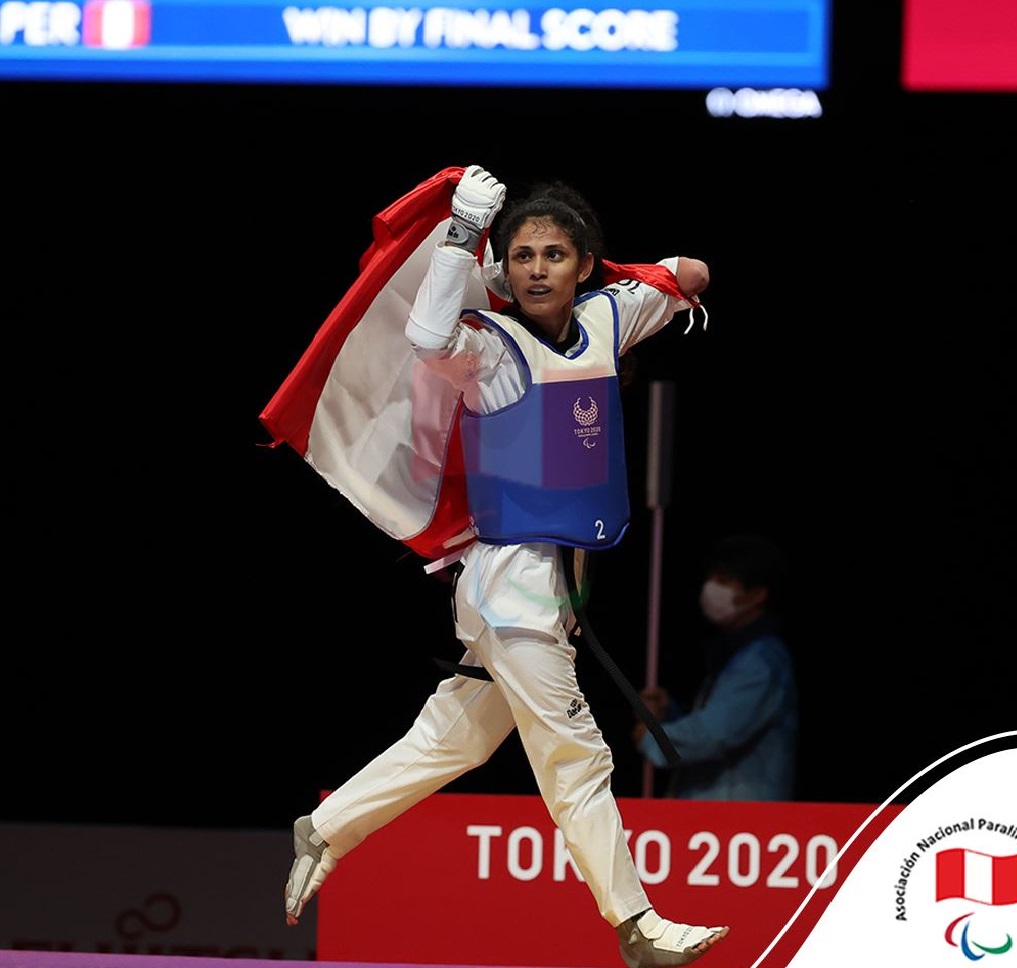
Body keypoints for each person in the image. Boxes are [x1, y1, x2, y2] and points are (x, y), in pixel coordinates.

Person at [282, 165, 728, 967]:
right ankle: (638, 926)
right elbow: (426, 335)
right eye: (520, 255)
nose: (535, 268)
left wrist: (627, 274)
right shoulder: (486, 349)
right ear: (502, 270)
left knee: (456, 738)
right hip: (510, 586)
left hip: (552, 587)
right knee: (576, 752)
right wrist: (461, 240)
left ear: (585, 264)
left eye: (555, 253)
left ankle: (328, 825)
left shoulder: (610, 318)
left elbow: (691, 274)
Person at [634, 533, 798, 801]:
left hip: (740, 825)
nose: (712, 588)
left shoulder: (762, 662)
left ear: (756, 595)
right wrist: (668, 714)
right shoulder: (737, 655)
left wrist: (654, 737)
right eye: (712, 578)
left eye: (724, 581)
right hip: (715, 820)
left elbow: (713, 736)